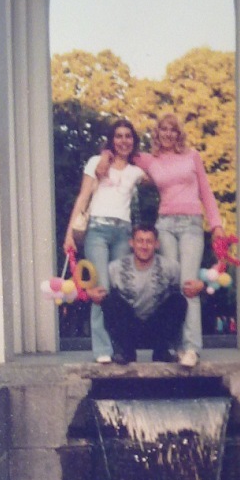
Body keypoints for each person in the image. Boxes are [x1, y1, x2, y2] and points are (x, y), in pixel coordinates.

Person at [97, 113, 225, 368]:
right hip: (164, 225)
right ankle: (172, 346)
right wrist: (104, 155)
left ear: (178, 133)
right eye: (163, 129)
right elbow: (122, 149)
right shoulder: (149, 159)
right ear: (157, 134)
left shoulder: (192, 156)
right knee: (170, 286)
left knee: (189, 286)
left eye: (172, 129)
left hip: (191, 225)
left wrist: (217, 225)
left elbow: (206, 191)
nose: (167, 134)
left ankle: (191, 348)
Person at [63, 119, 146, 363]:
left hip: (123, 232)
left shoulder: (136, 171)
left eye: (128, 136)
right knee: (101, 290)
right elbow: (83, 197)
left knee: (120, 289)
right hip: (97, 230)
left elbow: (159, 176)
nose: (123, 141)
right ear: (111, 139)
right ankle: (102, 350)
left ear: (134, 141)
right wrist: (69, 234)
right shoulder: (96, 163)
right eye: (118, 136)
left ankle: (122, 347)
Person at [91, 224, 203, 365]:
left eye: (149, 241)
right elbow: (94, 288)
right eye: (140, 241)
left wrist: (202, 284)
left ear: (156, 244)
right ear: (131, 243)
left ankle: (161, 352)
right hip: (130, 329)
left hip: (156, 329)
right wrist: (88, 292)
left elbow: (190, 283)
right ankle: (126, 352)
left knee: (178, 300)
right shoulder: (115, 268)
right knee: (110, 301)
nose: (144, 246)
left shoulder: (170, 266)